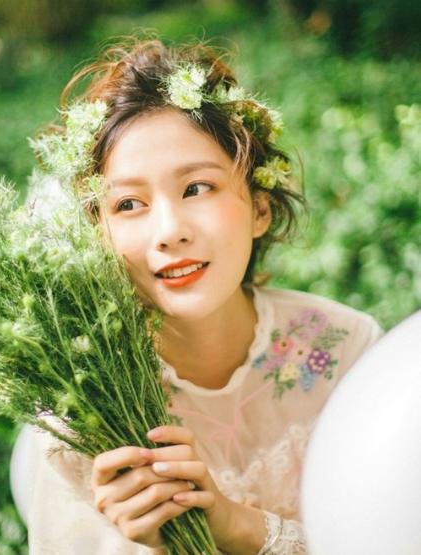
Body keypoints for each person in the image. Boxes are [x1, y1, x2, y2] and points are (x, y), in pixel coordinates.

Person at [25, 38, 382, 554]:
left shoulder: (347, 351)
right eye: (129, 204)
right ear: (98, 236)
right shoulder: (78, 408)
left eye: (196, 188)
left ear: (260, 208)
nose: (170, 231)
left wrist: (235, 526)